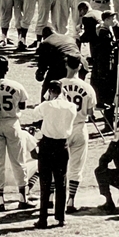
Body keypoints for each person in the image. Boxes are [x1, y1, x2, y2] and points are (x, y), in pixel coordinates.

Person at [0, 56, 31, 211]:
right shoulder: (16, 85)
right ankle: (22, 197)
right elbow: (22, 106)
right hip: (12, 124)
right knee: (19, 161)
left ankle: (0, 200)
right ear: (7, 69)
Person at [28, 80, 77, 228]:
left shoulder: (46, 105)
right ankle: (61, 217)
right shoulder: (71, 106)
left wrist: (47, 99)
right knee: (61, 182)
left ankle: (43, 218)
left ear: (50, 91)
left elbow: (34, 114)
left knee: (45, 182)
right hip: (62, 144)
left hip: (47, 144)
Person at [61, 55, 97, 212]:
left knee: (57, 165)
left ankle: (50, 199)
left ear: (66, 65)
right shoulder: (88, 88)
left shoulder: (58, 84)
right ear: (80, 67)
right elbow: (90, 112)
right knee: (76, 166)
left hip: (61, 128)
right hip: (80, 127)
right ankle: (70, 202)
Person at [35, 26, 83, 100]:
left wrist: (40, 74)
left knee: (49, 86)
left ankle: (44, 104)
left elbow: (42, 63)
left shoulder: (46, 42)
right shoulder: (68, 38)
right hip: (80, 63)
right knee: (76, 87)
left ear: (44, 36)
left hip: (63, 63)